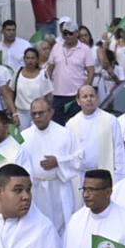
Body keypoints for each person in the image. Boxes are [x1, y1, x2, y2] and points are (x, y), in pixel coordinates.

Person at [21, 99, 82, 234]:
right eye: (34, 114)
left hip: (58, 188)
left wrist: (58, 161)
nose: (37, 117)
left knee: (60, 228)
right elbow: (19, 163)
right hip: (35, 190)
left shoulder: (65, 134)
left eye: (41, 113)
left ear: (51, 112)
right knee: (37, 228)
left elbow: (79, 159)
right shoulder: (24, 137)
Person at [66, 85, 125, 190]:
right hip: (80, 176)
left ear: (97, 99)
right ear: (78, 101)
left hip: (103, 173)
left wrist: (119, 178)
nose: (89, 99)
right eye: (85, 97)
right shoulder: (71, 124)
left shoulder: (110, 120)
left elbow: (118, 150)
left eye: (92, 96)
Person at [46, 20, 98, 124]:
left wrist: (84, 91)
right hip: (57, 95)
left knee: (76, 125)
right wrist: (47, 89)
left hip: (75, 96)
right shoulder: (56, 47)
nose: (68, 36)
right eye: (65, 33)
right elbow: (49, 69)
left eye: (70, 33)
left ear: (76, 33)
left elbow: (91, 72)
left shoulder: (85, 49)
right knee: (57, 125)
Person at [9, 48, 54, 129]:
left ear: (37, 59)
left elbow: (48, 95)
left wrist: (48, 112)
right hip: (21, 113)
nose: (30, 61)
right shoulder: (18, 72)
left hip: (38, 113)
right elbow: (11, 93)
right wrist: (14, 113)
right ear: (24, 59)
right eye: (27, 58)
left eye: (33, 58)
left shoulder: (43, 74)